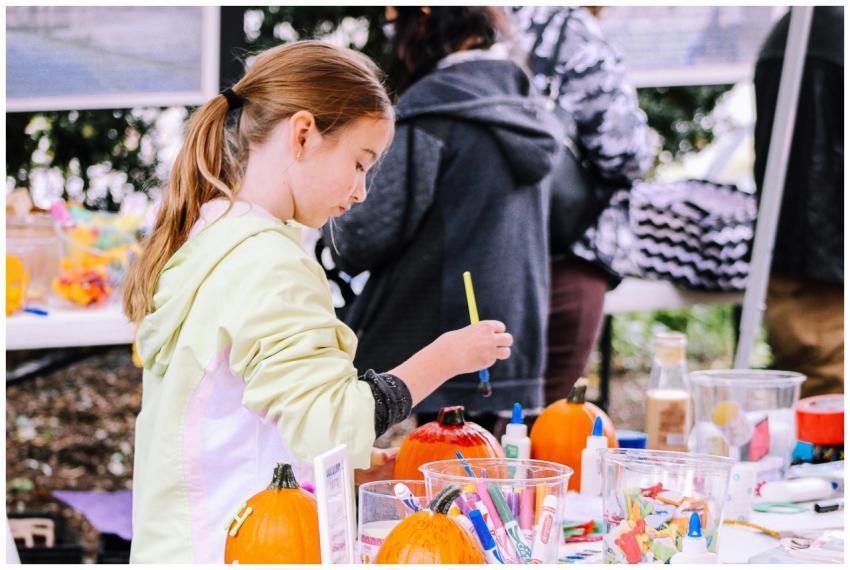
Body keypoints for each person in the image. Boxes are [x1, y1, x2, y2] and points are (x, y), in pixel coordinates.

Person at [122, 40, 513, 563]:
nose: (362, 191)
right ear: (303, 133)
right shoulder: (270, 265)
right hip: (238, 549)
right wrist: (445, 359)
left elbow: (249, 414)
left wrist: (342, 464)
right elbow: (328, 421)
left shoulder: (212, 239)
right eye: (359, 162)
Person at [324, 7, 561, 432]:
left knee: (414, 495)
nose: (393, 31)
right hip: (512, 355)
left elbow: (362, 236)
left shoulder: (432, 110)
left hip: (420, 366)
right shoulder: (529, 109)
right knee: (490, 492)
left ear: (426, 16)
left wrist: (325, 218)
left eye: (396, 19)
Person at [510, 6, 654, 404]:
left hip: (479, 255)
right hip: (563, 249)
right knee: (548, 421)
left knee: (467, 426)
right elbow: (623, 149)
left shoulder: (459, 22)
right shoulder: (568, 26)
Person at [754, 6, 843, 398]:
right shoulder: (822, 38)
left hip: (811, 261)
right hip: (818, 269)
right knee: (826, 397)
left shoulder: (809, 35)